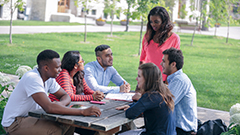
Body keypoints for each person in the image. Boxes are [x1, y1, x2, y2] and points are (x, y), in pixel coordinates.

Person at [1, 50, 101, 135]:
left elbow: (65, 95)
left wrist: (60, 103)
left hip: (33, 117)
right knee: (55, 130)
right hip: (15, 123)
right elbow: (49, 107)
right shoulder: (32, 78)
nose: (60, 70)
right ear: (46, 68)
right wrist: (83, 112)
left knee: (69, 125)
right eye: (57, 67)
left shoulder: (49, 78)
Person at [116, 63, 176, 135]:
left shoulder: (150, 96)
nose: (136, 78)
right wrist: (133, 105)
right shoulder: (163, 91)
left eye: (139, 76)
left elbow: (130, 113)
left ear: (148, 79)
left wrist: (133, 106)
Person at [160, 48, 197, 134]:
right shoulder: (175, 79)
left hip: (182, 131)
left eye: (164, 61)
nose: (161, 64)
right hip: (175, 128)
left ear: (173, 64)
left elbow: (164, 105)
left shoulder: (179, 80)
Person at [139, 6, 180, 83]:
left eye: (156, 22)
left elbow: (175, 64)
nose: (153, 24)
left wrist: (167, 83)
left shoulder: (174, 38)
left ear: (164, 21)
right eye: (151, 22)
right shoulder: (147, 36)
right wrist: (140, 79)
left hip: (164, 81)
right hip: (148, 79)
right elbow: (142, 59)